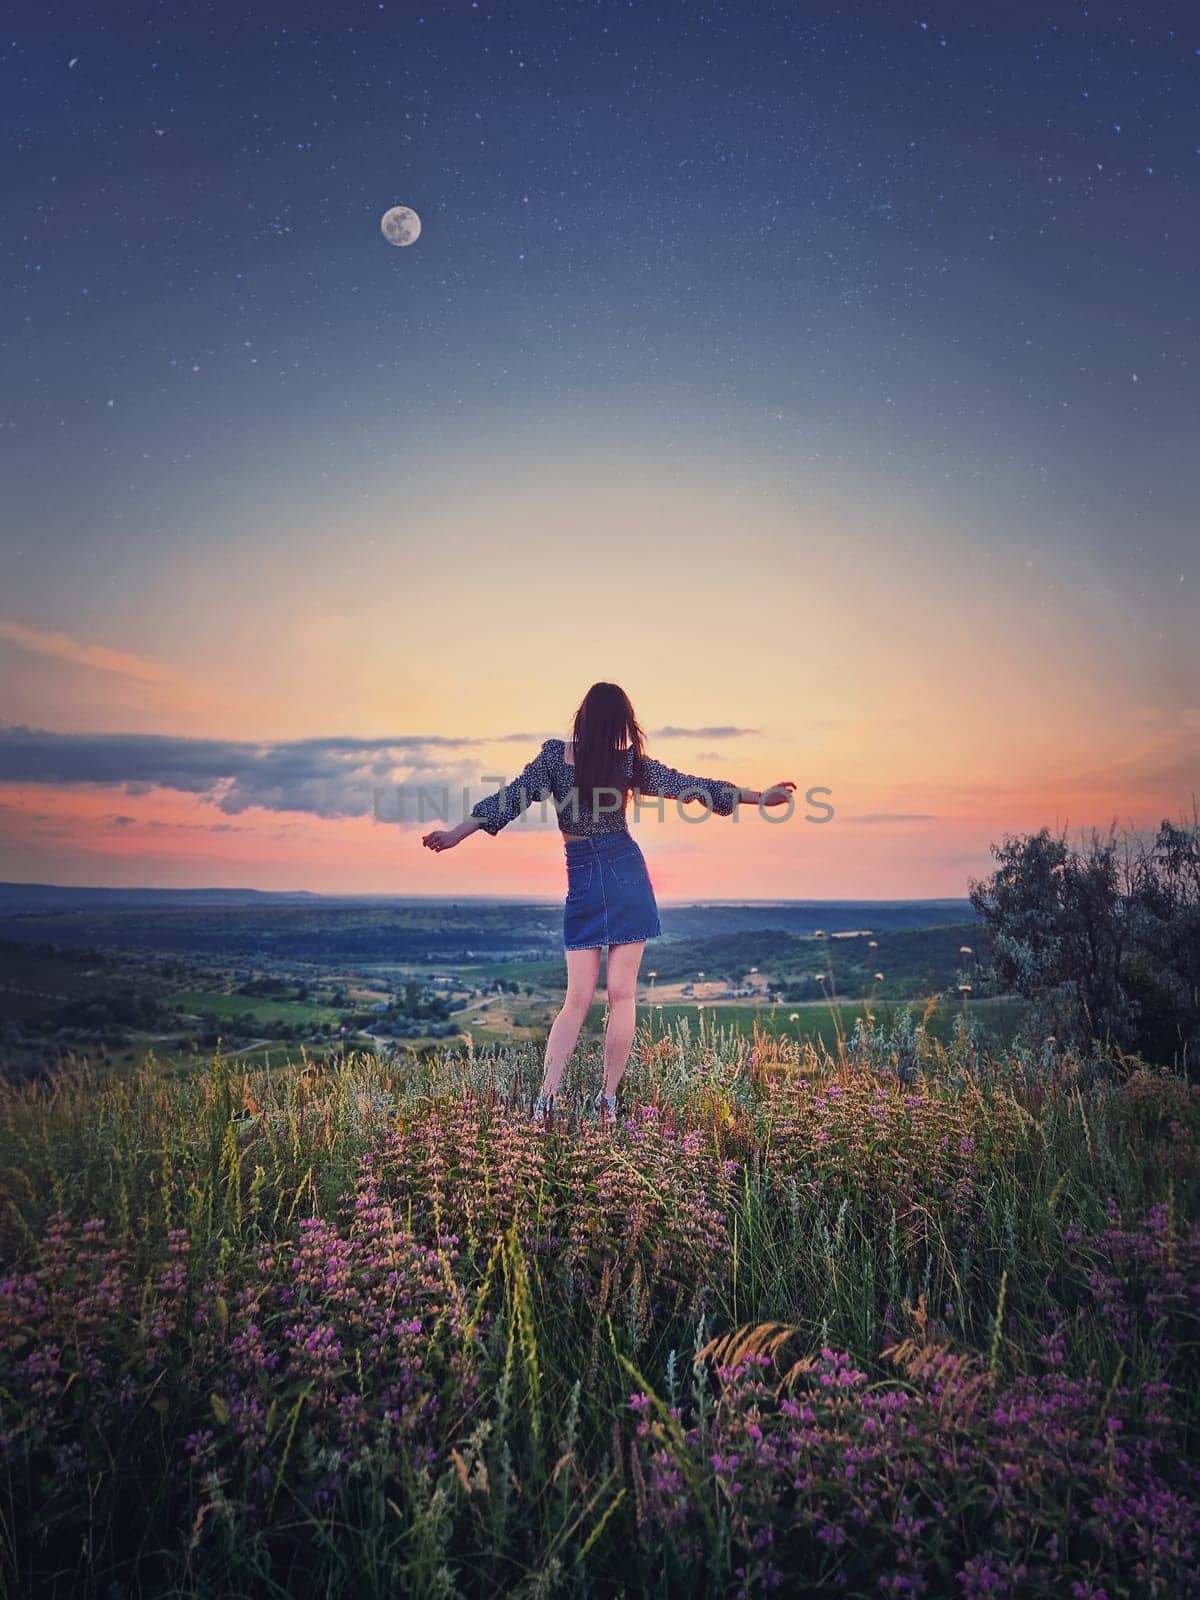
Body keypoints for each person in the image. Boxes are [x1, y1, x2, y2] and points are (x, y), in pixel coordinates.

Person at [421, 682, 795, 1122]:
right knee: (622, 996)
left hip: (585, 876)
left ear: (582, 716)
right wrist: (757, 797)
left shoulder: (555, 758)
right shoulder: (625, 763)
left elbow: (507, 800)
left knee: (576, 999)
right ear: (620, 724)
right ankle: (607, 1102)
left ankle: (546, 1102)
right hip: (624, 874)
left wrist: (456, 834)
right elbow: (689, 785)